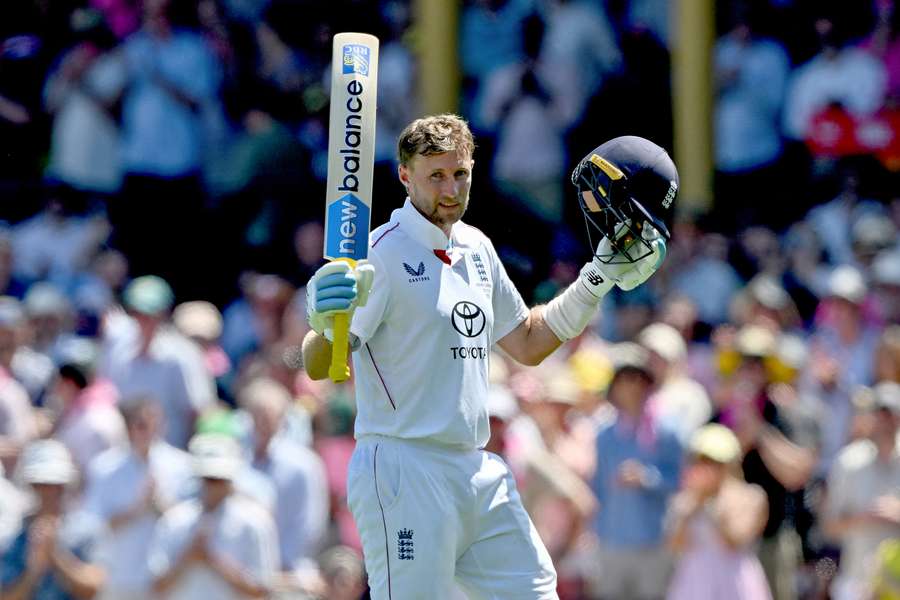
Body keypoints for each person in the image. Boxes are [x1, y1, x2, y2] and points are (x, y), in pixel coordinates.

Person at [302, 114, 677, 598]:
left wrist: (596, 278)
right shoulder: (378, 255)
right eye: (435, 175)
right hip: (403, 469)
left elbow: (528, 342)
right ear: (404, 176)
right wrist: (322, 320)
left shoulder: (476, 246)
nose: (451, 188)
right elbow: (319, 365)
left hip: (475, 468)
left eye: (460, 174)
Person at [587, 343, 683, 600]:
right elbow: (598, 487)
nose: (630, 387)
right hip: (612, 540)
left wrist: (647, 478)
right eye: (624, 379)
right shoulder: (605, 434)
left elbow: (680, 481)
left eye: (637, 378)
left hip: (652, 541)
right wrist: (595, 530)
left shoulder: (667, 430)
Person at [148, 433, 278, 600]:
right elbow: (156, 585)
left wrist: (214, 560)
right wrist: (188, 556)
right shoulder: (176, 521)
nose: (214, 486)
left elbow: (262, 589)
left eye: (219, 479)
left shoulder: (254, 522)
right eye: (208, 478)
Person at [666, 424, 771, 600]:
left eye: (713, 462)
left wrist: (714, 502)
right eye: (700, 461)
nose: (705, 468)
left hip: (736, 584)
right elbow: (675, 545)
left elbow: (734, 540)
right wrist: (694, 505)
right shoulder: (688, 499)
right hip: (694, 585)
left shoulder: (751, 496)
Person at [0, 439, 107, 600]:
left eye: (57, 485)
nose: (50, 492)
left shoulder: (85, 529)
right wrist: (34, 572)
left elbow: (93, 587)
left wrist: (55, 556)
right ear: (31, 486)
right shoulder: (13, 536)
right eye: (42, 484)